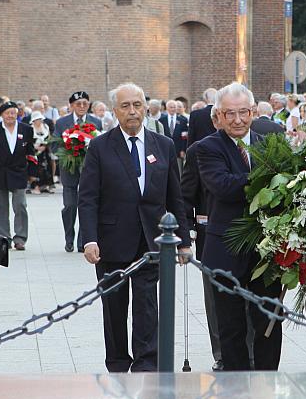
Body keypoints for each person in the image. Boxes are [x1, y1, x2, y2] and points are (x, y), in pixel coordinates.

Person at [78, 83, 191, 373]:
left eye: (137, 105)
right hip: (111, 242)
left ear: (146, 108)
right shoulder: (100, 147)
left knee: (146, 307)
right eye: (126, 106)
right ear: (115, 111)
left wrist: (183, 241)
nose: (132, 111)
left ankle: (146, 364)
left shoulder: (163, 145)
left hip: (151, 241)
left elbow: (174, 196)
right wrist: (89, 239)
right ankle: (117, 363)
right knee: (114, 308)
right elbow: (88, 197)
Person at [197, 82, 282, 371]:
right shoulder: (208, 147)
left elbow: (286, 187)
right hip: (225, 249)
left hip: (267, 248)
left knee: (268, 321)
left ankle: (267, 382)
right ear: (218, 116)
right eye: (229, 114)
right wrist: (267, 178)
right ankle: (235, 388)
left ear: (253, 112)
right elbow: (222, 187)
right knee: (230, 326)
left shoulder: (271, 143)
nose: (237, 120)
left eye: (243, 112)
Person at [181, 105, 223, 371]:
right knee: (216, 298)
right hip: (211, 236)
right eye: (227, 113)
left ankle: (252, 351)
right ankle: (222, 353)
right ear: (215, 118)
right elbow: (186, 194)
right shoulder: (199, 151)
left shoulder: (260, 143)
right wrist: (186, 232)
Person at [53, 91, 103, 253]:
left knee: (87, 204)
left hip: (89, 170)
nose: (82, 107)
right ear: (72, 106)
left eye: (85, 104)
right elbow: (54, 145)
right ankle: (69, 237)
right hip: (69, 170)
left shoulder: (96, 122)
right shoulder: (62, 123)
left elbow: (100, 144)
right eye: (78, 104)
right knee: (70, 205)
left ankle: (84, 241)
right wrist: (70, 148)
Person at [0, 101, 35, 251]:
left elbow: (30, 153)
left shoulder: (26, 129)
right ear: (2, 115)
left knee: (20, 205)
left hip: (19, 172)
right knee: (1, 207)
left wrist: (32, 174)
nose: (11, 116)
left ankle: (20, 238)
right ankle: (5, 237)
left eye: (13, 112)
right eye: (7, 113)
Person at [160, 99, 189, 171]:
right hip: (165, 149)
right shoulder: (161, 120)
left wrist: (183, 150)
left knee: (178, 170)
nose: (173, 109)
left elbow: (184, 137)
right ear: (167, 108)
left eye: (174, 107)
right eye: (171, 107)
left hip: (178, 150)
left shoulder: (183, 120)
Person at [29, 111, 54, 194]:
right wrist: (36, 147)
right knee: (34, 169)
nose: (39, 121)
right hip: (34, 152)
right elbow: (28, 141)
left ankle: (44, 186)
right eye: (37, 119)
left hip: (44, 151)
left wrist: (45, 145)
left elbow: (49, 137)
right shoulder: (30, 128)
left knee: (46, 168)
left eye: (40, 119)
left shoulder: (45, 127)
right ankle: (35, 186)